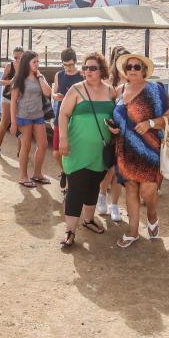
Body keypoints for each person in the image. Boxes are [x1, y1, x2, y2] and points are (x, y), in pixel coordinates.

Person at [110, 53, 169, 248]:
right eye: (129, 67)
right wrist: (113, 126)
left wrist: (150, 123)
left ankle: (152, 216)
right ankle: (132, 232)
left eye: (136, 67)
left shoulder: (155, 89)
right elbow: (119, 116)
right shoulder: (121, 90)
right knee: (130, 188)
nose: (132, 70)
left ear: (144, 70)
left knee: (148, 191)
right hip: (125, 150)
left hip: (149, 149)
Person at [57, 53, 116, 248]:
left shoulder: (110, 91)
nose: (87, 71)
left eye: (92, 68)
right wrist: (63, 140)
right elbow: (63, 115)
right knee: (76, 189)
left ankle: (88, 220)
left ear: (102, 71)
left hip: (100, 151)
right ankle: (70, 231)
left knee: (93, 185)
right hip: (76, 149)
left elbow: (117, 117)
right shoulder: (76, 90)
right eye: (85, 68)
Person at [10, 50, 53, 187]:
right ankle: (23, 176)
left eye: (38, 62)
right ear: (27, 63)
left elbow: (48, 92)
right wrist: (13, 123)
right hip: (24, 117)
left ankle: (37, 174)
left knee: (43, 145)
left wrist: (40, 76)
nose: (37, 64)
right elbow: (13, 101)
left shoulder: (39, 77)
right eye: (34, 62)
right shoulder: (19, 79)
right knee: (26, 146)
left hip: (38, 116)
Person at [97, 46, 129, 222]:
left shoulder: (134, 80)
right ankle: (102, 194)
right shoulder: (109, 83)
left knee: (119, 171)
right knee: (108, 169)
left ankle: (115, 204)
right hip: (110, 132)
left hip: (126, 134)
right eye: (120, 60)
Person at [52, 48, 84, 192]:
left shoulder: (82, 75)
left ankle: (71, 182)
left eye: (70, 65)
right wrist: (55, 96)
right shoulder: (59, 75)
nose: (68, 68)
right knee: (56, 153)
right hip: (61, 116)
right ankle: (65, 171)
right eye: (65, 65)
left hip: (77, 118)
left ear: (75, 62)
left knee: (73, 151)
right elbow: (55, 91)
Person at [0, 46, 23, 157]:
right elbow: (1, 82)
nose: (17, 60)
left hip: (21, 100)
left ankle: (21, 152)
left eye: (20, 57)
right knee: (5, 121)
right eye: (15, 57)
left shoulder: (27, 67)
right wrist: (10, 81)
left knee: (20, 125)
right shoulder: (10, 66)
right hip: (8, 97)